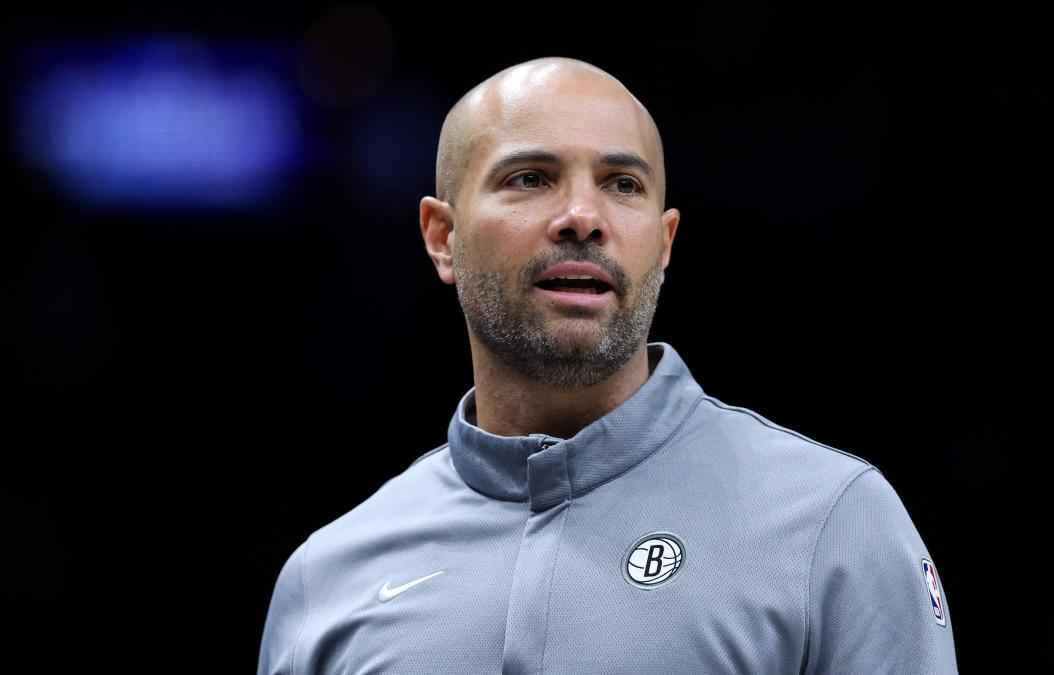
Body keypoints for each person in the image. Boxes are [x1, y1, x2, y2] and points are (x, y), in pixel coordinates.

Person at [257, 57, 959, 674]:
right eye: (530, 178)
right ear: (443, 237)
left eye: (623, 184)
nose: (582, 216)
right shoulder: (329, 580)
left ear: (664, 242)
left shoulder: (831, 522)